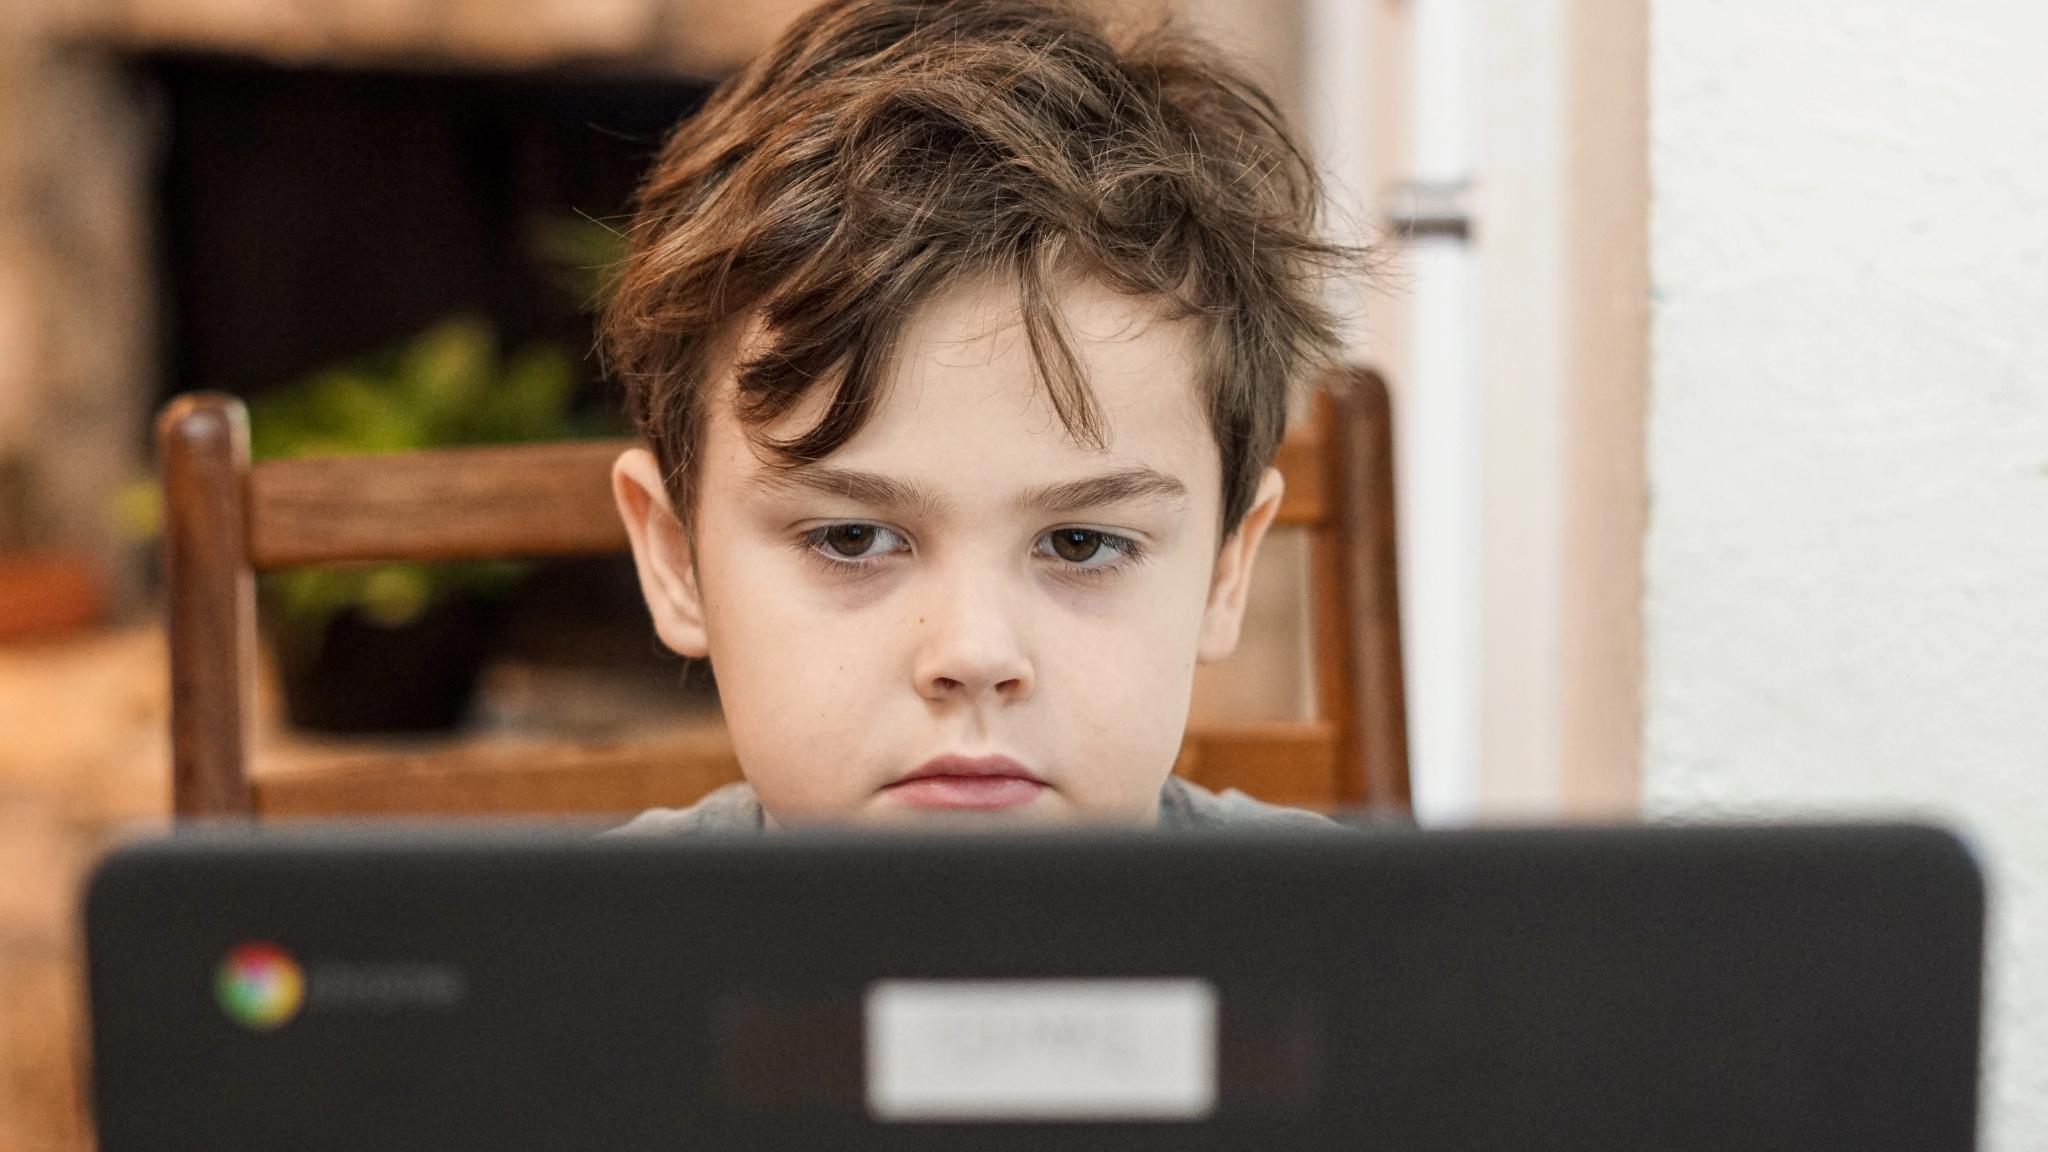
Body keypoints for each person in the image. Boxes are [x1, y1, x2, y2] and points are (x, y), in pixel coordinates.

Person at [601, 0, 1367, 833]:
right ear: (678, 560)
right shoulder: (573, 958)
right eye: (850, 537)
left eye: (1083, 542)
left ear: (1226, 572)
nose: (972, 653)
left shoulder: (1363, 952)